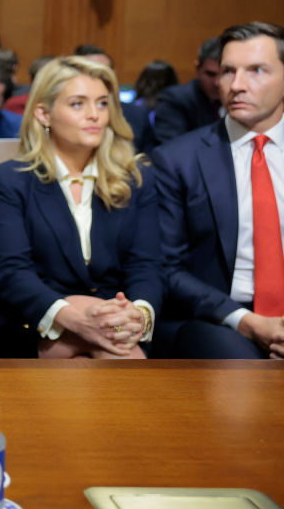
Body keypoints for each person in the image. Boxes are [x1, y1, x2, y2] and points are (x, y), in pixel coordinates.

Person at [0, 56, 161, 359]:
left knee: (115, 349)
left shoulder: (136, 179)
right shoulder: (10, 180)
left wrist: (138, 315)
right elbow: (12, 271)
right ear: (44, 113)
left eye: (102, 104)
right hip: (28, 321)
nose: (95, 115)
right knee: (110, 352)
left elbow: (146, 266)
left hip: (115, 322)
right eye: (78, 104)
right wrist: (77, 319)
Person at [152, 22, 284, 359]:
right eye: (228, 71)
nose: (237, 85)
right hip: (220, 317)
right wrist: (246, 321)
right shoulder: (178, 160)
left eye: (256, 70)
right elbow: (167, 267)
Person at [74, 45, 156, 154]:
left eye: (104, 73)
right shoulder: (64, 115)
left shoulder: (137, 116)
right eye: (91, 73)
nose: (98, 79)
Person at [153, 36, 222, 144]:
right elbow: (171, 148)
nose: (217, 83)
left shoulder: (235, 98)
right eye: (210, 74)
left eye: (224, 74)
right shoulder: (175, 99)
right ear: (197, 68)